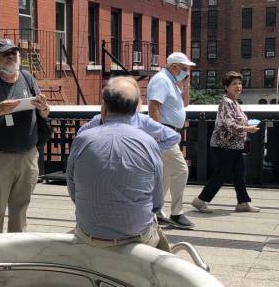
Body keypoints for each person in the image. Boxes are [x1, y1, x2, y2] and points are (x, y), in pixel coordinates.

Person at [67, 76, 170, 251]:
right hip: (136, 239)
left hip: (90, 235)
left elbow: (73, 190)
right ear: (136, 109)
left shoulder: (82, 139)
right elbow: (156, 202)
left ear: (104, 106)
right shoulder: (148, 142)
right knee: (163, 247)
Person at [0, 38, 50, 234]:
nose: (11, 56)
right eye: (5, 54)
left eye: (13, 52)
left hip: (27, 156)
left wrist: (44, 108)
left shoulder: (28, 78)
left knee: (20, 210)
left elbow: (44, 113)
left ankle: (16, 256)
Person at [192, 71, 260, 213]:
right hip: (224, 145)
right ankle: (200, 200)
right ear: (226, 86)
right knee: (222, 173)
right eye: (234, 84)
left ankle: (243, 203)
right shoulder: (226, 103)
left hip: (234, 146)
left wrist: (247, 126)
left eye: (240, 83)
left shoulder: (234, 102)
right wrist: (248, 128)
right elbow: (230, 125)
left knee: (239, 172)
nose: (238, 86)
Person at [147, 52, 196, 229]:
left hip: (170, 133)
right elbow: (153, 107)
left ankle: (156, 212)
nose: (186, 73)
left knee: (165, 176)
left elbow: (186, 104)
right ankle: (177, 213)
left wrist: (186, 84)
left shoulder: (172, 81)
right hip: (165, 133)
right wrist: (159, 134)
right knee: (181, 170)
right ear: (174, 66)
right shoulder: (161, 80)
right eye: (184, 69)